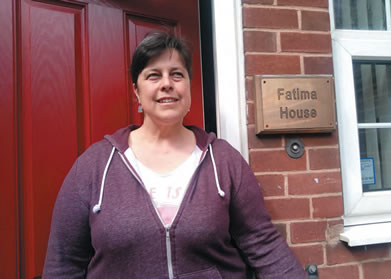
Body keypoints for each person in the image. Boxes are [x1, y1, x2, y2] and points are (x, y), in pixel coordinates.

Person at [43, 32, 307, 278]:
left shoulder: (224, 161)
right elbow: (64, 260)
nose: (167, 84)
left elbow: (262, 242)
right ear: (137, 91)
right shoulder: (94, 166)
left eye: (177, 74)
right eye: (153, 75)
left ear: (189, 87)